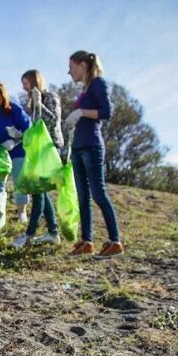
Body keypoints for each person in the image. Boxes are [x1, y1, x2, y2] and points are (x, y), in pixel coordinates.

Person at [64, 51, 123, 258]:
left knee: (98, 193)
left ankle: (115, 241)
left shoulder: (99, 83)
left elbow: (106, 112)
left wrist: (81, 112)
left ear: (82, 65)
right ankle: (86, 241)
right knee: (83, 197)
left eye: (71, 66)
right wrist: (74, 122)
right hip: (78, 146)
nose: (69, 71)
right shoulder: (86, 89)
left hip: (92, 146)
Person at [11, 69, 64, 248]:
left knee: (38, 191)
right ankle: (53, 233)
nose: (24, 88)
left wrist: (39, 103)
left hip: (49, 147)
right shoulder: (31, 101)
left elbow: (53, 120)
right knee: (42, 193)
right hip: (37, 148)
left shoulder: (51, 97)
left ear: (35, 81)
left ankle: (29, 235)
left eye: (26, 83)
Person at [0, 80, 31, 220]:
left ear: (3, 96)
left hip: (18, 149)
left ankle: (21, 211)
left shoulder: (14, 109)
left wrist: (16, 139)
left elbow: (28, 128)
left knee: (19, 180)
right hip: (0, 151)